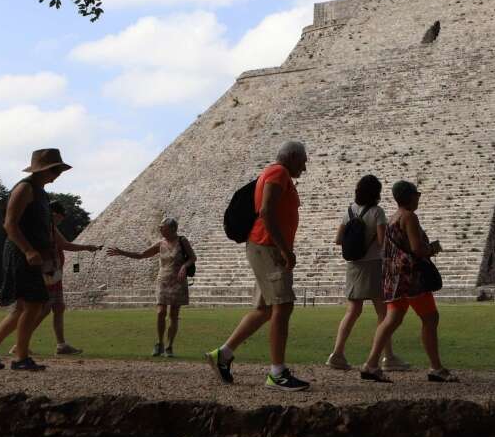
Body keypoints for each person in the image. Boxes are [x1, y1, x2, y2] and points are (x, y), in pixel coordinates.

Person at [204, 141, 311, 391]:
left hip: (264, 247)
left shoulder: (275, 173)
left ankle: (223, 354)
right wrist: (285, 249)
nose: (305, 167)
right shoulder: (278, 172)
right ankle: (277, 373)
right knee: (283, 305)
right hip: (268, 248)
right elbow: (266, 212)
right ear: (293, 157)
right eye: (303, 161)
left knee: (264, 309)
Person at [0, 148, 71, 371]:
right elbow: (10, 224)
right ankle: (20, 357)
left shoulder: (41, 192)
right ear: (45, 169)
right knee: (35, 303)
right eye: (55, 170)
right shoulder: (25, 188)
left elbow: (42, 228)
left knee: (22, 307)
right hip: (21, 253)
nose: (58, 174)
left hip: (33, 253)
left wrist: (45, 253)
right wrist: (28, 250)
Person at [359, 180, 458, 384]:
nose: (419, 197)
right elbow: (416, 249)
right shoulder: (409, 217)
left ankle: (371, 364)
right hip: (411, 278)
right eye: (417, 194)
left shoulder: (393, 218)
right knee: (430, 319)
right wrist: (433, 249)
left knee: (391, 320)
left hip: (394, 277)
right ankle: (436, 368)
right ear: (410, 196)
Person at [326, 174, 411, 372]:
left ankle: (337, 353)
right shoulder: (377, 212)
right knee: (383, 313)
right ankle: (388, 357)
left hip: (353, 266)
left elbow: (338, 239)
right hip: (373, 266)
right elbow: (383, 242)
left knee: (352, 311)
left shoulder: (349, 211)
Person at [107, 217, 195, 357]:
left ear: (172, 228)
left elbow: (192, 258)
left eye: (162, 227)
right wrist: (122, 252)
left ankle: (169, 346)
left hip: (178, 281)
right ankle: (159, 343)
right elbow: (141, 255)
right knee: (160, 312)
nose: (160, 229)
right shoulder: (160, 243)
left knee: (174, 314)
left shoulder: (182, 241)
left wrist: (185, 266)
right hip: (163, 280)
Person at [25, 200, 101, 355]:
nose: (60, 221)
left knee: (58, 308)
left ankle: (61, 345)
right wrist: (86, 247)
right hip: (48, 272)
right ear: (54, 214)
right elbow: (65, 245)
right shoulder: (45, 227)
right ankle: (22, 342)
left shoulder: (50, 228)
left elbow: (63, 245)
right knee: (45, 309)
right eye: (60, 217)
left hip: (55, 272)